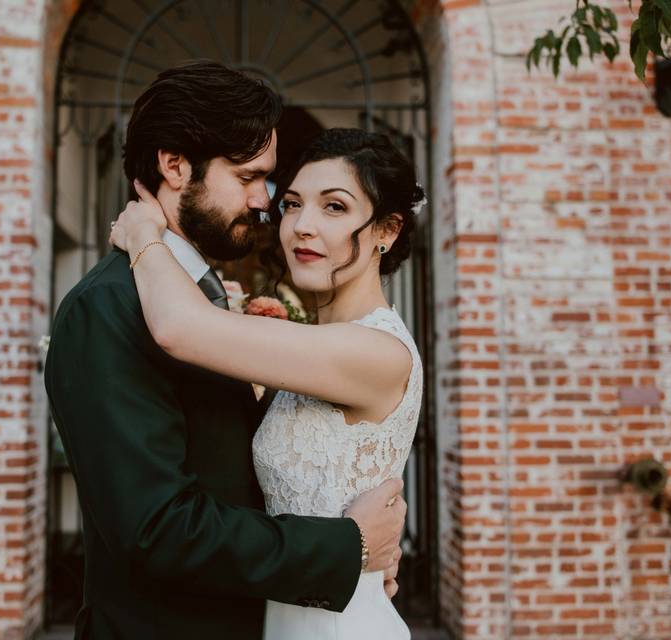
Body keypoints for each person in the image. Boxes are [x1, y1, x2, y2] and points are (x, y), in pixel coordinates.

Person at [43, 61, 406, 640]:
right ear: (175, 165)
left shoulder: (202, 300)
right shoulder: (106, 307)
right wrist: (347, 547)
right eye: (249, 177)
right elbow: (157, 528)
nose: (265, 202)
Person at [109, 127, 424, 639]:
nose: (302, 225)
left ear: (387, 230)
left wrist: (144, 236)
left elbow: (179, 329)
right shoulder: (311, 348)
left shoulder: (377, 351)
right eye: (293, 203)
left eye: (335, 208)